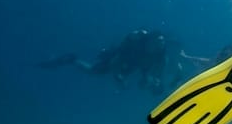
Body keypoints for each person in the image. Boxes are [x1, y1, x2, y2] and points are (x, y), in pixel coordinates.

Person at [41, 29, 182, 94]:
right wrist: (119, 77)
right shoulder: (138, 41)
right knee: (94, 71)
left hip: (138, 66)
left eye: (161, 44)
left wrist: (154, 83)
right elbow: (118, 59)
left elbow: (156, 76)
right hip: (123, 57)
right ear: (149, 40)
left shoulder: (161, 57)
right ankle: (72, 60)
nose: (158, 46)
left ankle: (72, 60)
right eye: (155, 42)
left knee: (146, 84)